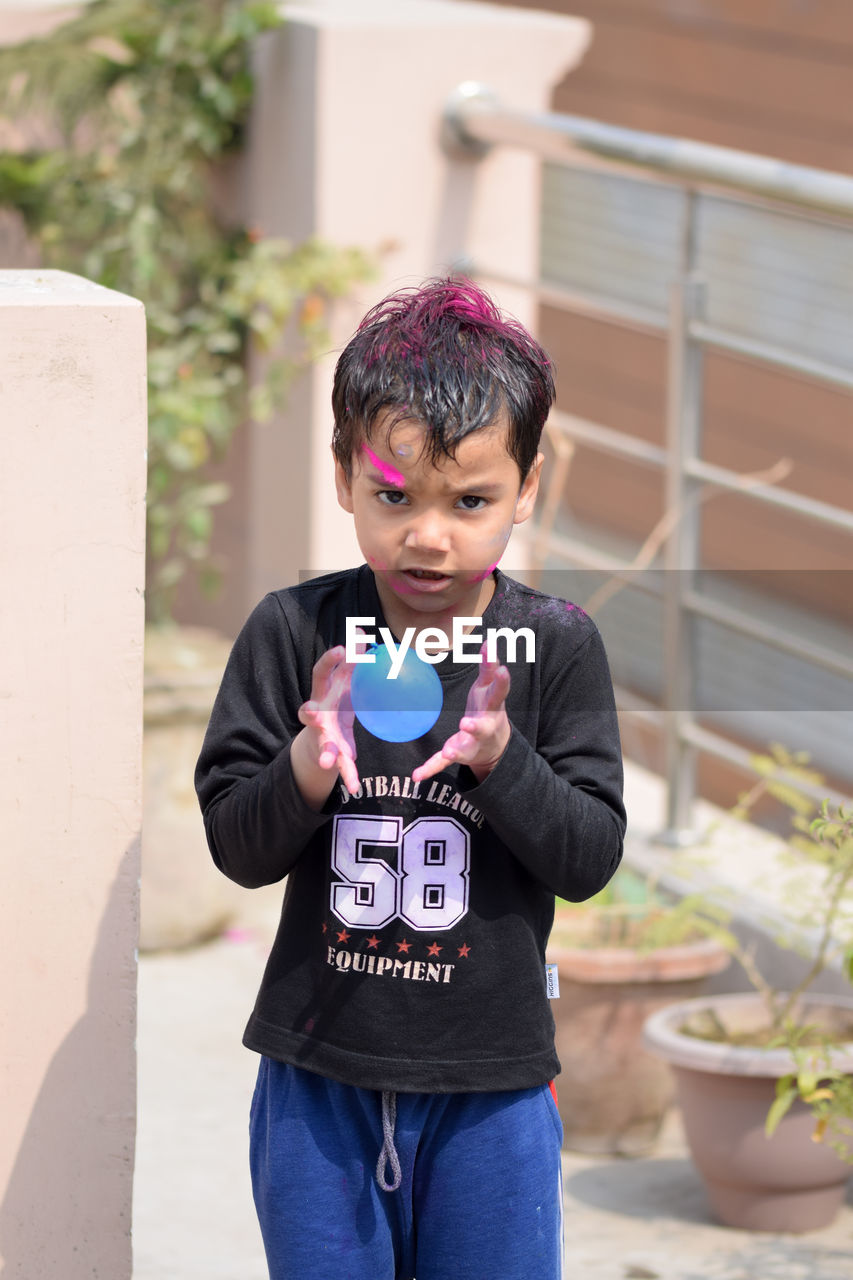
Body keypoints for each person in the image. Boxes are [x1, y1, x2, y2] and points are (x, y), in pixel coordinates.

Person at [195, 277, 626, 1280]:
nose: (427, 533)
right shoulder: (294, 634)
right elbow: (236, 845)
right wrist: (306, 762)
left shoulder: (554, 648)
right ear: (344, 475)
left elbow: (589, 855)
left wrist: (500, 757)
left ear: (526, 489)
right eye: (394, 495)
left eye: (469, 500)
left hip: (493, 1088)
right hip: (317, 1079)